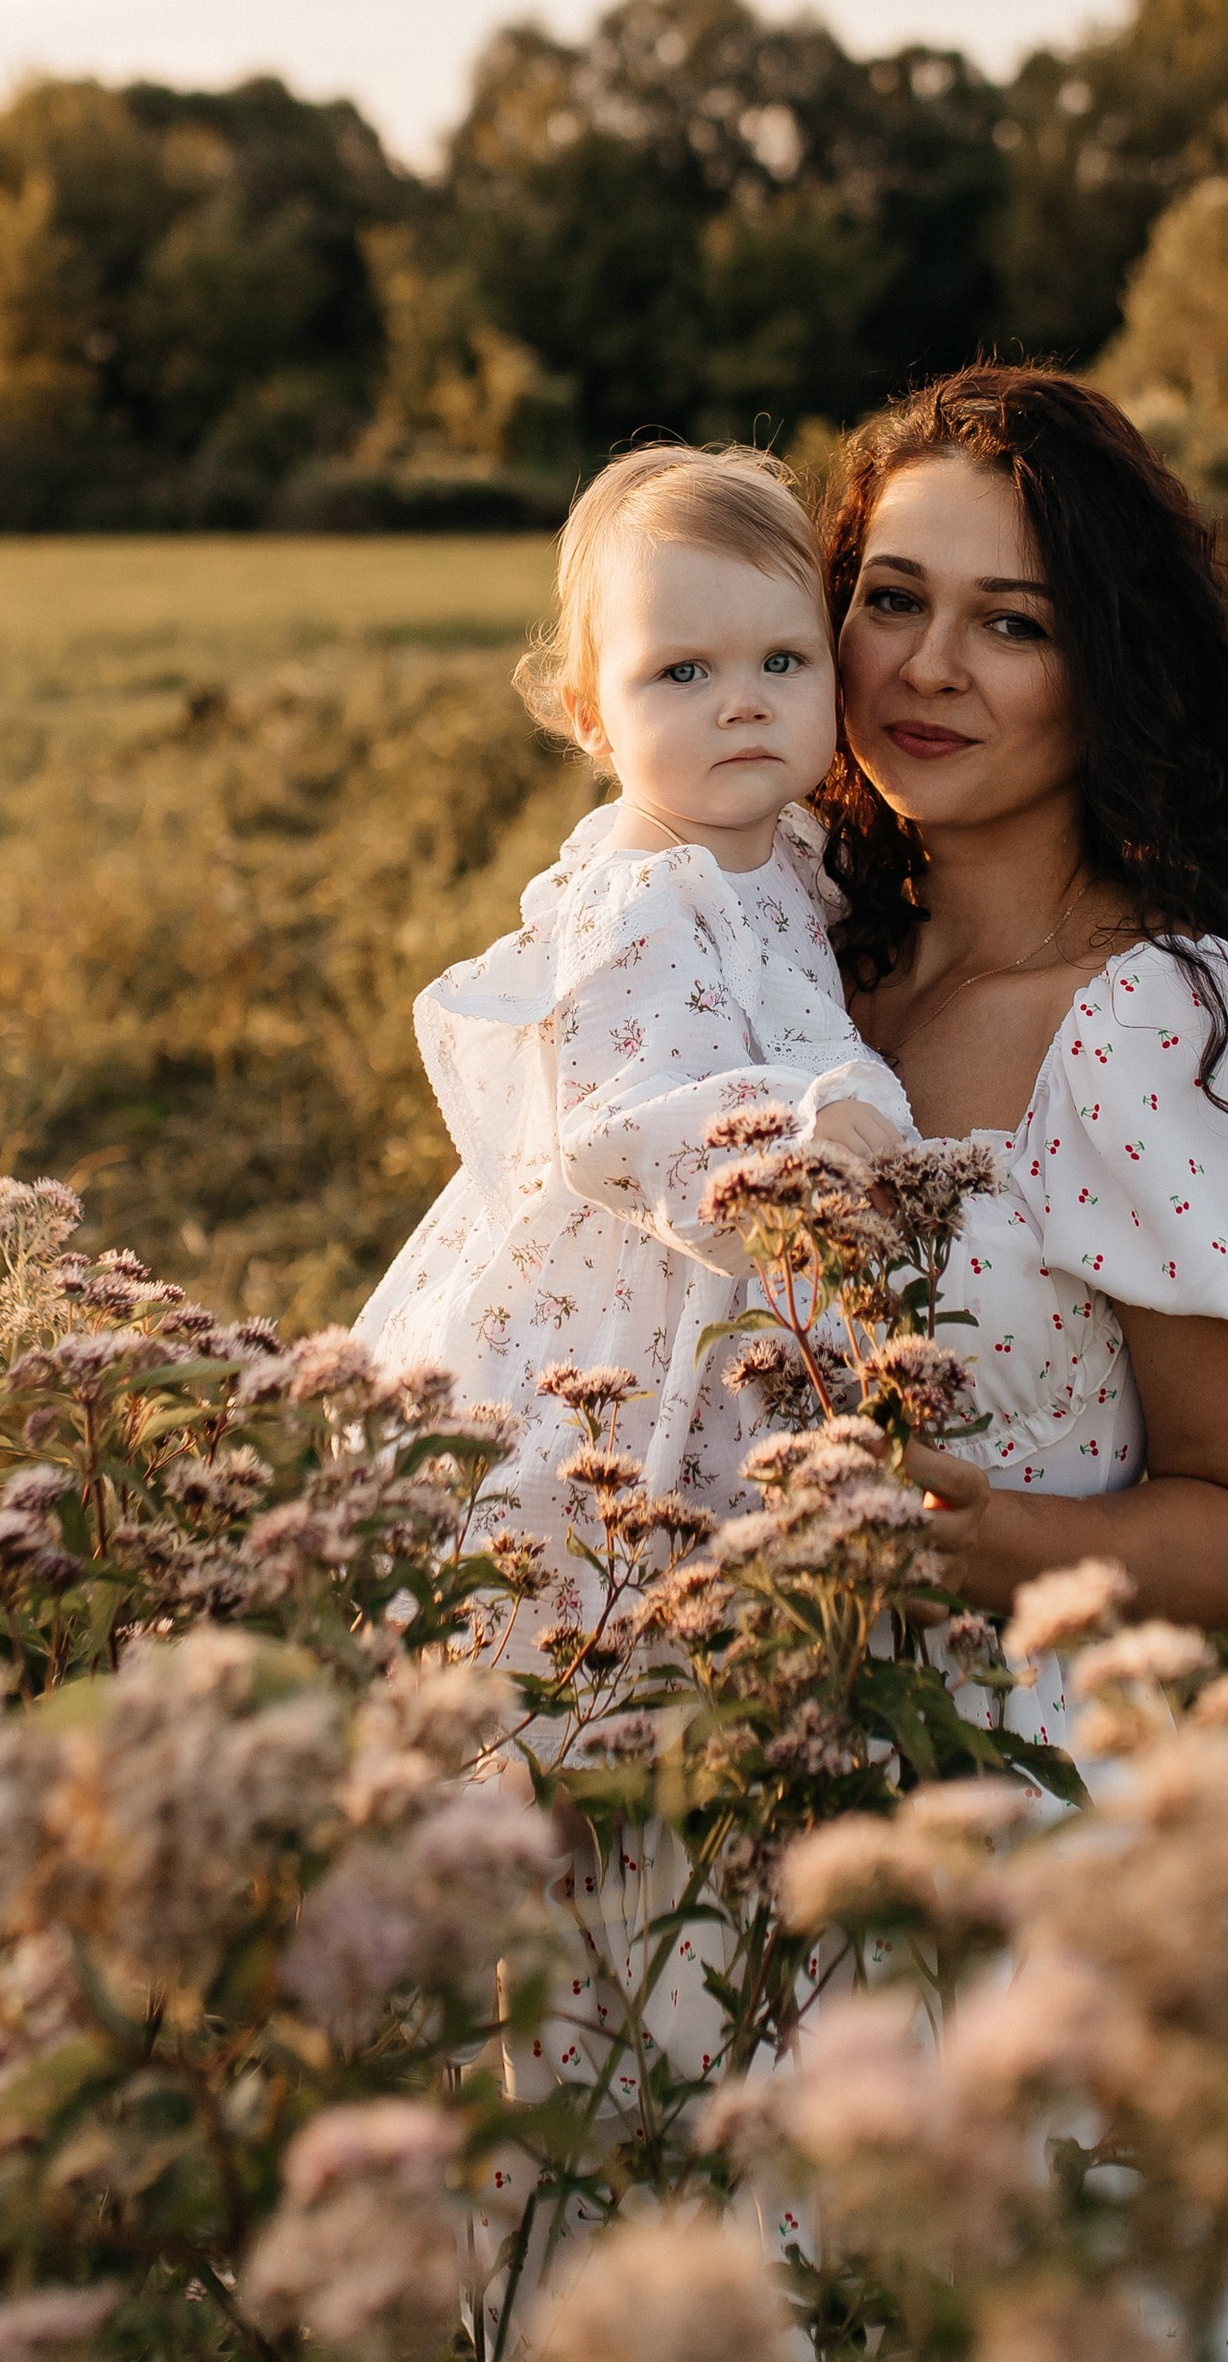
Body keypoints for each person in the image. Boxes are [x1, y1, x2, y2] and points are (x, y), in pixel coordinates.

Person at [820, 364, 1228, 1631]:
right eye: (892, 601)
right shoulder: (787, 953)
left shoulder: (1156, 1032)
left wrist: (994, 1546)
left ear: (1109, 676)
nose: (928, 666)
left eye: (1012, 624)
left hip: (976, 1754)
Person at [352, 439, 913, 1648]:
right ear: (587, 714)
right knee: (613, 1588)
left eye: (781, 659)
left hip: (740, 1291)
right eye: (681, 672)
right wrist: (812, 1129)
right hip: (627, 1316)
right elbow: (632, 1115)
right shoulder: (640, 895)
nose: (742, 700)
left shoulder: (789, 860)